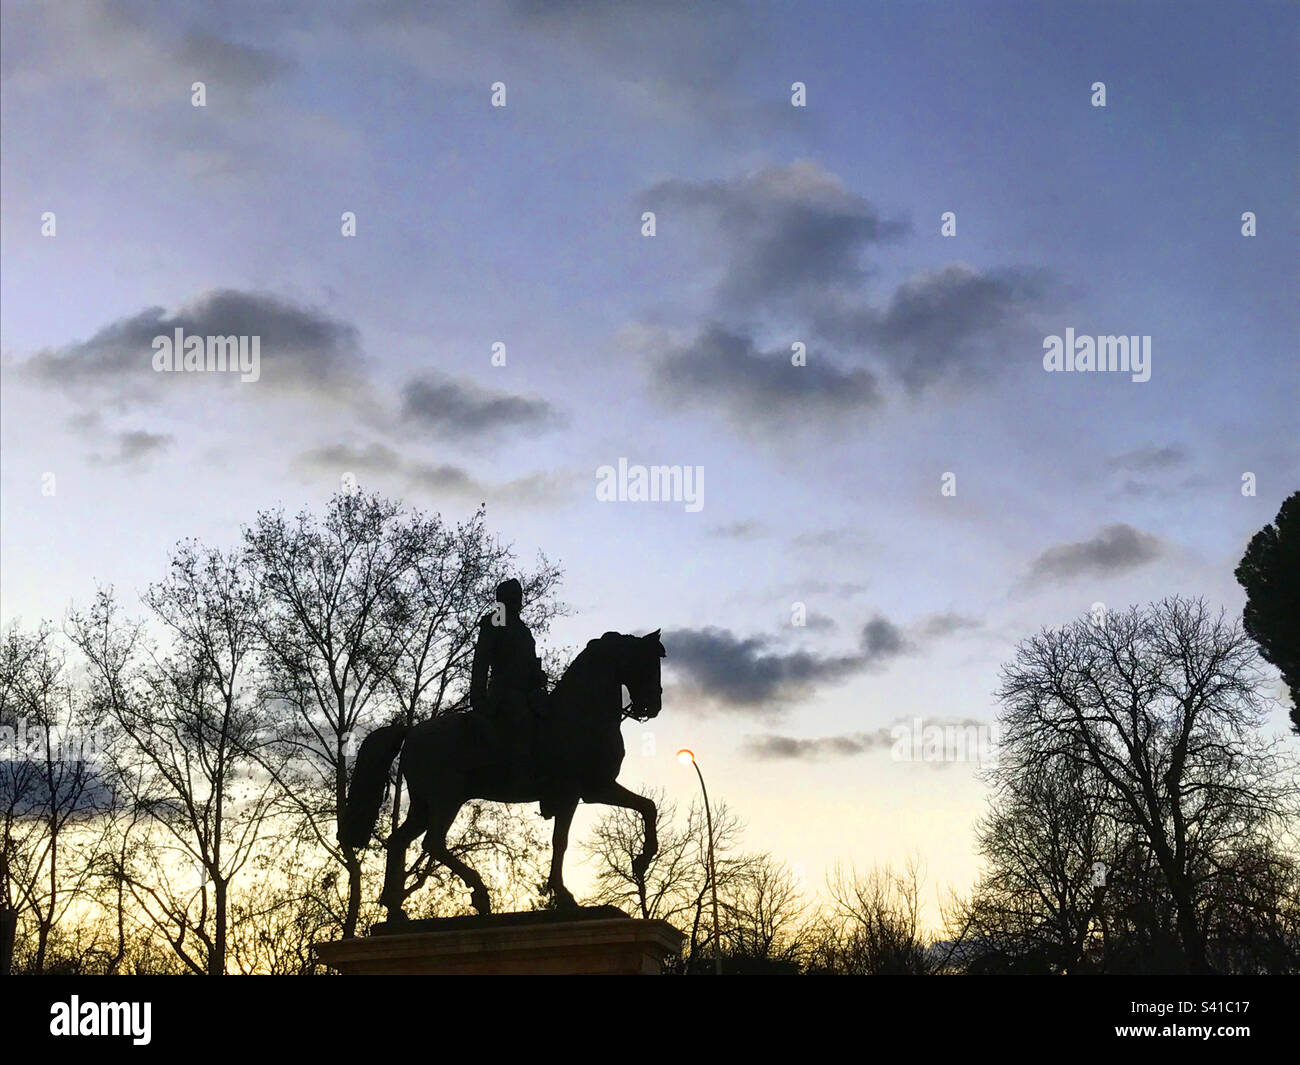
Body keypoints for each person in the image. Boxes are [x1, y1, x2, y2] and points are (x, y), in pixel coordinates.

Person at [469, 579, 548, 775]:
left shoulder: (523, 629)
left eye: (519, 596)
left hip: (528, 693)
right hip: (505, 693)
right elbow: (481, 661)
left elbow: (527, 663)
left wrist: (537, 676)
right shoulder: (497, 620)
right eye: (514, 596)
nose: (518, 600)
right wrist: (478, 697)